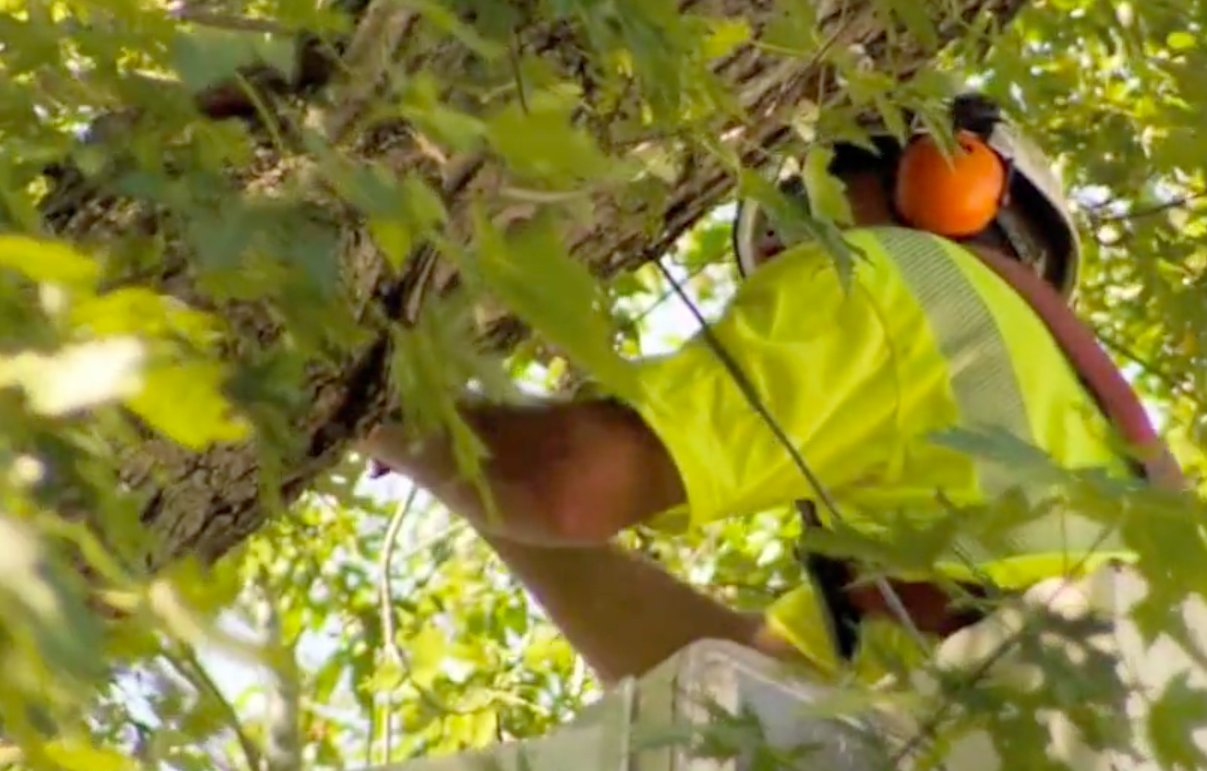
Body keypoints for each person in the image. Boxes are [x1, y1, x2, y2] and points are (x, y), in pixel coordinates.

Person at [361, 93, 1175, 689]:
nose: (788, 262)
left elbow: (570, 480)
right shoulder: (1101, 502)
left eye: (789, 237)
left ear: (942, 175)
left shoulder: (895, 281)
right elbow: (718, 692)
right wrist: (466, 467)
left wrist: (373, 401)